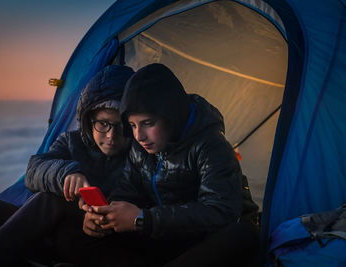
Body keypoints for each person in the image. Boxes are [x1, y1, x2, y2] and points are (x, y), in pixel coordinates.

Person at [0, 65, 135, 266]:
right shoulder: (72, 141)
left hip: (86, 242)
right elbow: (34, 170)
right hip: (43, 231)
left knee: (51, 198)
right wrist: (66, 174)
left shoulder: (139, 156)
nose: (111, 136)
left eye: (120, 126)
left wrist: (95, 218)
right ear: (89, 120)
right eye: (103, 124)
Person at [82, 63, 260, 266]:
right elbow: (126, 192)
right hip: (166, 237)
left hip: (203, 243)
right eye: (132, 125)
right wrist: (105, 218)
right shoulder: (141, 148)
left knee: (242, 236)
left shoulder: (211, 145)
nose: (139, 135)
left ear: (171, 116)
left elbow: (219, 213)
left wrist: (143, 218)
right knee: (86, 234)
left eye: (148, 123)